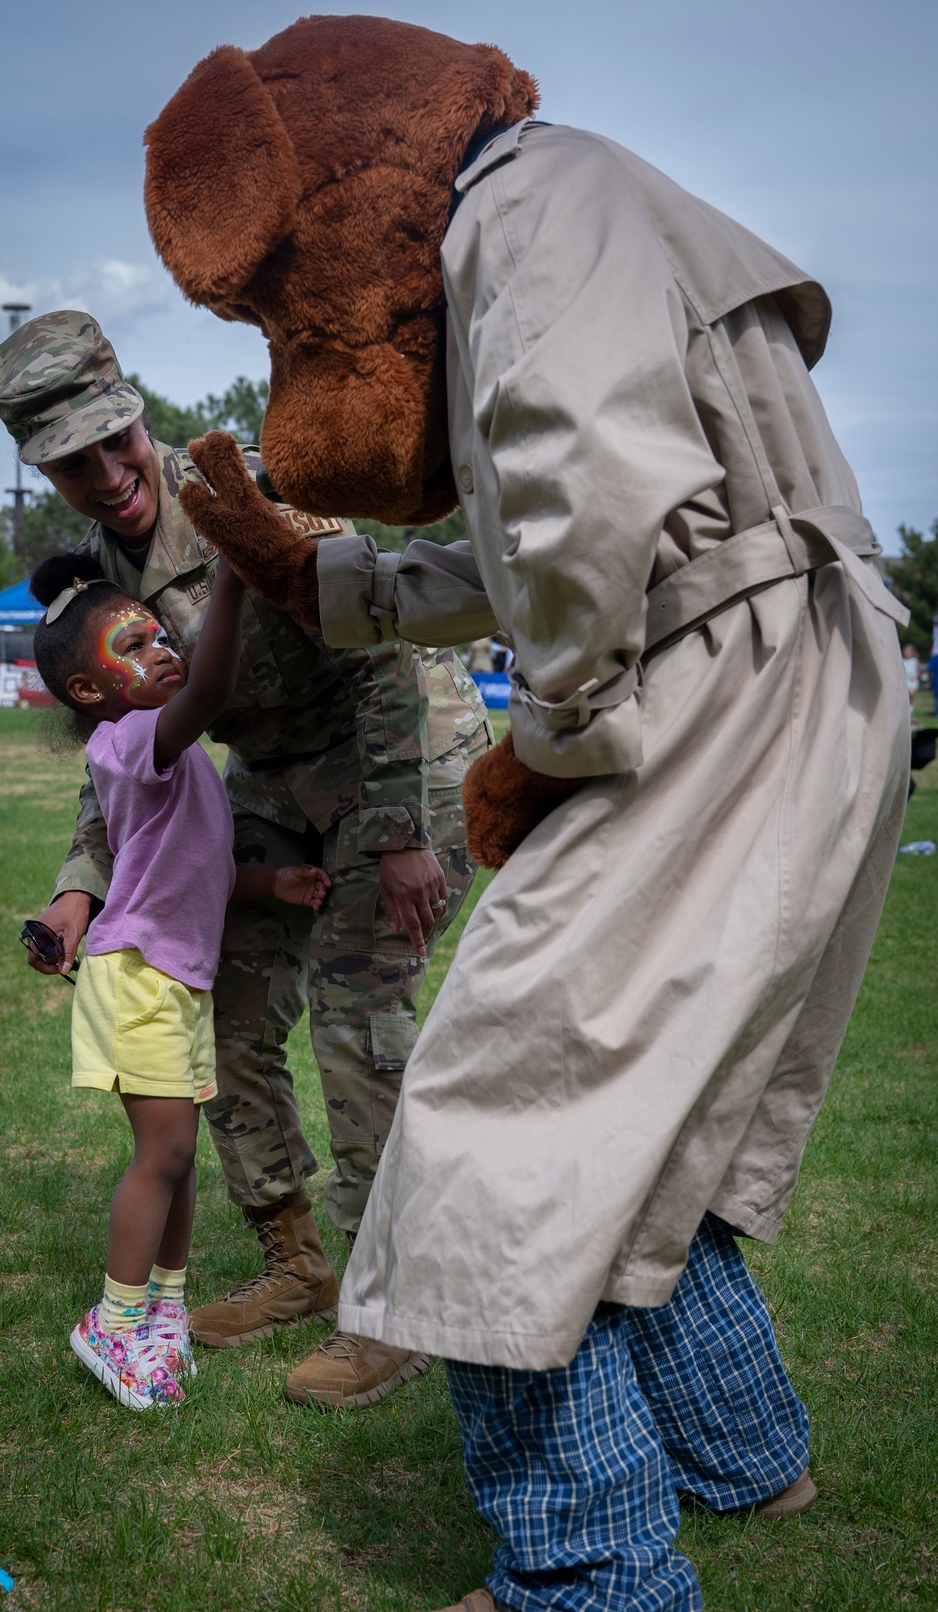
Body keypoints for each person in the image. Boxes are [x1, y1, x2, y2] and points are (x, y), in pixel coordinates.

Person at [144, 18, 911, 1606]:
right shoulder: (567, 217)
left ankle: (586, 1573)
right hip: (778, 665)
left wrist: (551, 744)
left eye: (284, 297)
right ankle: (743, 1456)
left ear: (340, 177)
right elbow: (547, 532)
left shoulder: (526, 206)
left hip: (705, 685)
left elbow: (581, 514)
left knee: (489, 1133)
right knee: (637, 1121)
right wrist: (320, 571)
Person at [0, 309, 489, 1409]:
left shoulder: (243, 491)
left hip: (394, 753)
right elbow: (119, 758)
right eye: (73, 463)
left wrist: (398, 836)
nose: (108, 474)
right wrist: (79, 887)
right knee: (220, 1013)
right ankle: (294, 1260)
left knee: (360, 1017)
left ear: (137, 414)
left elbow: (382, 649)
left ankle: (390, 1307)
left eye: (115, 441)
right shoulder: (97, 571)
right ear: (45, 468)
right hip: (271, 783)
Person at [24, 547, 331, 1409]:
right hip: (139, 978)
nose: (161, 648)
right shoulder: (130, 744)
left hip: (177, 980)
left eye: (162, 634)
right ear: (92, 691)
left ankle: (163, 1311)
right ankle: (112, 1326)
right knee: (161, 1153)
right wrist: (231, 581)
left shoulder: (181, 760)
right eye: (135, 644)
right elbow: (207, 691)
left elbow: (202, 865)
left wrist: (274, 883)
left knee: (180, 1157)